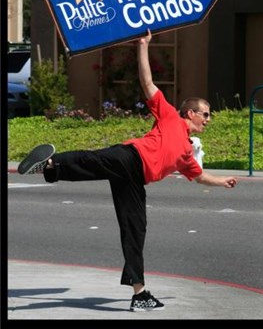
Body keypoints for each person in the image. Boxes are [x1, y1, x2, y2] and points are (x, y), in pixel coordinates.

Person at [17, 30, 238, 311]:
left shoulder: (186, 151)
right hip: (130, 158)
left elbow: (199, 176)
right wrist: (143, 46)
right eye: (205, 114)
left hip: (135, 180)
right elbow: (147, 82)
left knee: (135, 230)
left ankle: (139, 293)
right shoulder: (170, 115)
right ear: (190, 113)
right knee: (92, 160)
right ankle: (49, 165)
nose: (208, 119)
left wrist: (223, 181)